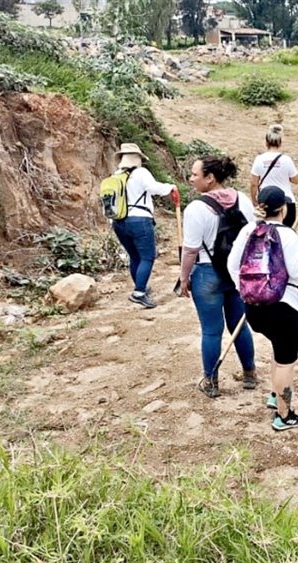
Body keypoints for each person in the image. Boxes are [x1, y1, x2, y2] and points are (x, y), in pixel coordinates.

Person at [229, 186, 298, 431]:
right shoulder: (288, 235)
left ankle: (274, 395)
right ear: (284, 208)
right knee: (285, 361)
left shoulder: (248, 230)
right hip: (284, 307)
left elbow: (232, 265)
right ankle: (284, 415)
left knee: (276, 351)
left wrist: (247, 290)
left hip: (253, 307)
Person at [178, 155, 256, 399]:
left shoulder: (196, 209)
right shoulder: (243, 200)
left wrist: (183, 278)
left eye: (195, 174)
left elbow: (190, 250)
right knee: (239, 325)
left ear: (210, 178)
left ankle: (211, 381)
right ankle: (250, 374)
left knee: (211, 331)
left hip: (207, 273)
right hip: (237, 272)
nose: (191, 179)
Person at [109, 143, 178, 309]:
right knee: (147, 257)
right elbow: (154, 188)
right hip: (140, 220)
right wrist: (171, 187)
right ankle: (139, 292)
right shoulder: (141, 173)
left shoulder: (115, 175)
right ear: (138, 158)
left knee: (135, 257)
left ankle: (141, 286)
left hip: (119, 222)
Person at [250, 124, 298, 228]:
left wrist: (254, 201)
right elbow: (296, 180)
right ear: (280, 143)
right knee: (286, 234)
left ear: (266, 142)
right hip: (287, 201)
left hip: (266, 201)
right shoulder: (287, 160)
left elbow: (253, 184)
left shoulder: (259, 159)